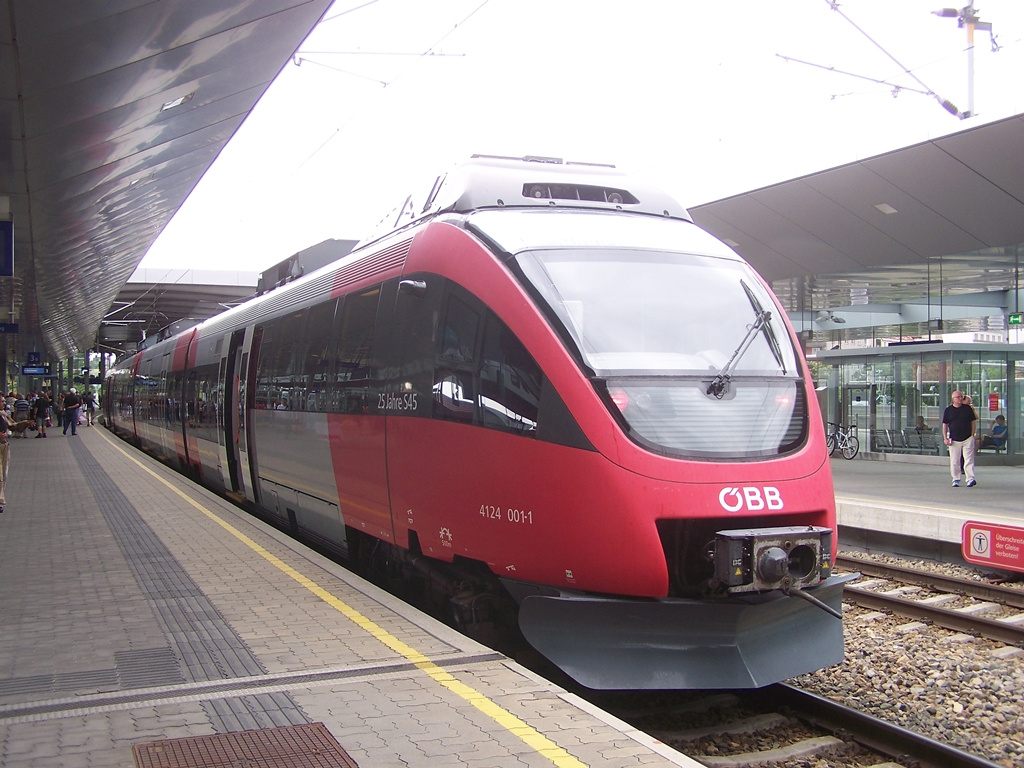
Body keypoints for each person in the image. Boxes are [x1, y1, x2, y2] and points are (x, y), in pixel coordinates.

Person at [942, 390, 977, 488]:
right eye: (958, 397)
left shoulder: (967, 409)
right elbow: (945, 425)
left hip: (967, 438)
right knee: (955, 460)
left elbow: (973, 422)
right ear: (953, 399)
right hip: (954, 439)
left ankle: (970, 478)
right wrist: (945, 438)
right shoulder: (948, 410)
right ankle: (956, 479)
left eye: (961, 397)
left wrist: (972, 434)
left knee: (969, 459)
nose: (960, 399)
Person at [0, 411, 9, 513]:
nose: (3, 403)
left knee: (4, 474)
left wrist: (26, 423)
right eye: (1, 401)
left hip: (4, 446)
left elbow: (12, 425)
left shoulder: (2, 415)